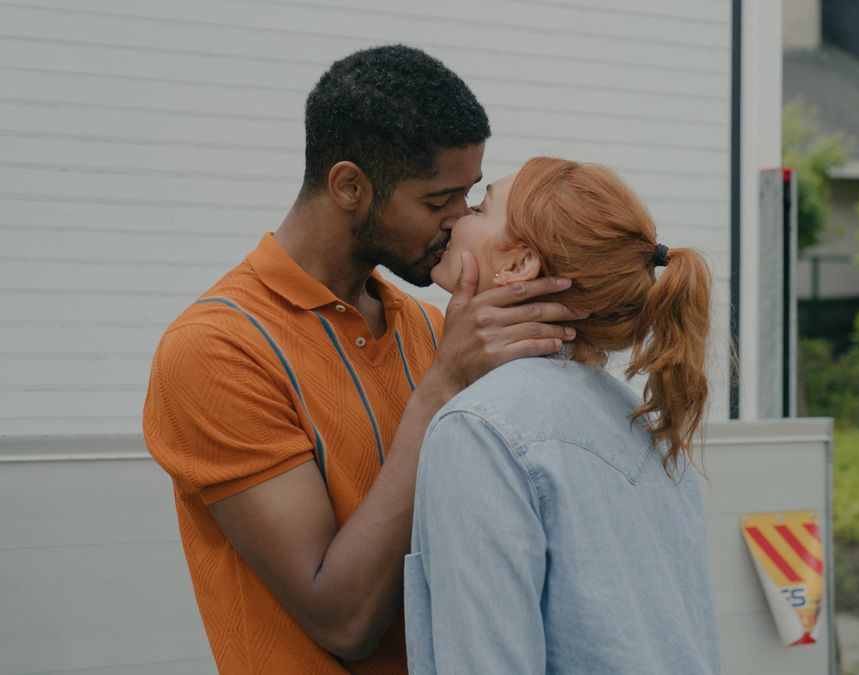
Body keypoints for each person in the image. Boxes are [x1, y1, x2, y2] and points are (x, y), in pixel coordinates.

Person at [142, 46, 580, 674]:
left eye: (471, 198)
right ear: (350, 186)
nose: (459, 224)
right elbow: (341, 618)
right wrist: (443, 387)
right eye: (439, 202)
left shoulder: (432, 328)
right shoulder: (216, 350)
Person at [404, 157, 720, 674]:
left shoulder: (480, 430)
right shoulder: (645, 424)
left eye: (480, 208)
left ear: (518, 265)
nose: (456, 217)